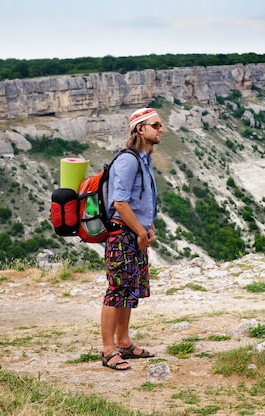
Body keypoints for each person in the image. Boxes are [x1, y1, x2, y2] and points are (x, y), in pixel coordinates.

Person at [100, 107, 162, 371]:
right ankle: (108, 350)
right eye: (156, 125)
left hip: (136, 233)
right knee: (116, 290)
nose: (161, 130)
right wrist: (139, 231)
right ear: (140, 129)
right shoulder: (128, 161)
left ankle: (124, 342)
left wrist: (149, 227)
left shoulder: (144, 161)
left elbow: (142, 201)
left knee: (129, 290)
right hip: (123, 234)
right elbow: (121, 203)